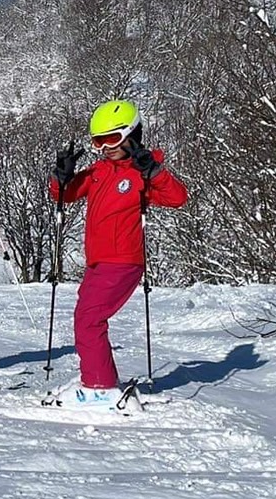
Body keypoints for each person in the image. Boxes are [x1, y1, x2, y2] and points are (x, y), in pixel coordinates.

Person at [49, 99, 188, 407]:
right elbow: (64, 195)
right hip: (97, 261)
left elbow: (177, 198)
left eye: (112, 139)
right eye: (99, 140)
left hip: (123, 260)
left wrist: (154, 171)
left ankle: (99, 386)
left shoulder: (143, 172)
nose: (105, 147)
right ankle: (99, 379)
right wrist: (62, 175)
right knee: (87, 317)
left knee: (88, 319)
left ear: (132, 135)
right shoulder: (99, 170)